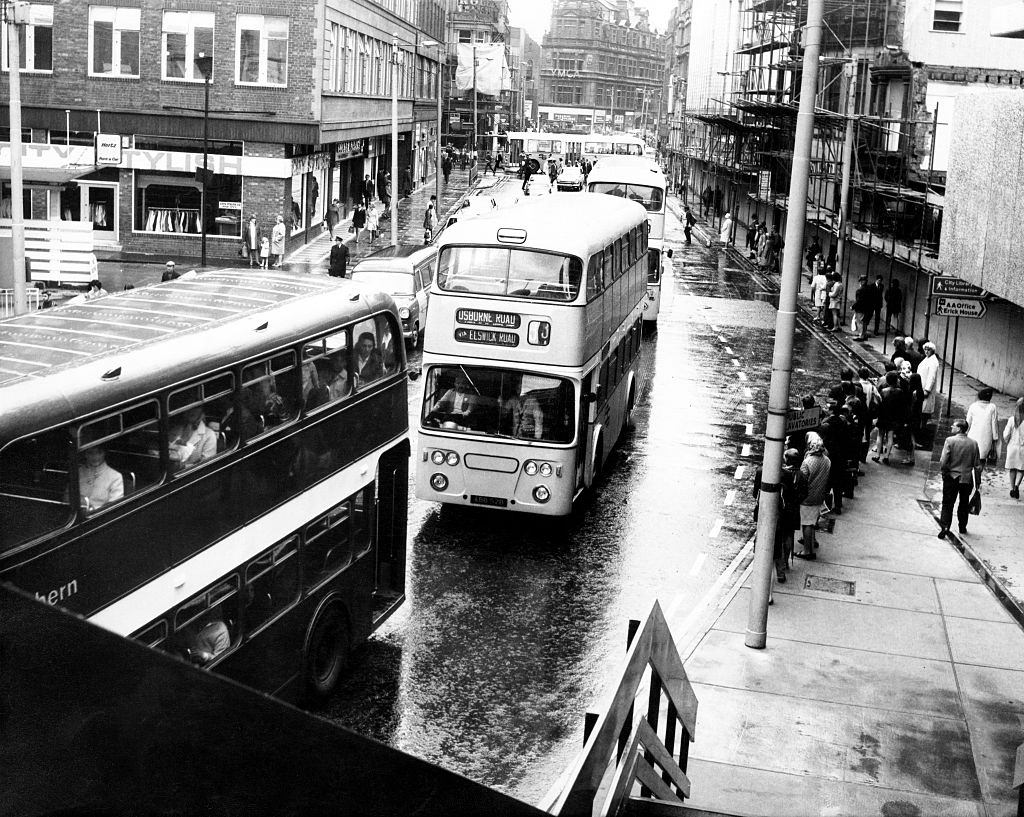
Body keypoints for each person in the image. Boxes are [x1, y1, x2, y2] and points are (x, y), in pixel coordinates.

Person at [938, 418, 981, 538]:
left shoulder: (950, 441)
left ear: (959, 429)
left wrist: (944, 473)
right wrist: (978, 482)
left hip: (952, 477)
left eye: (954, 426)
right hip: (966, 479)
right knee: (964, 503)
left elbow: (943, 461)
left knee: (947, 503)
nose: (952, 427)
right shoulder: (973, 443)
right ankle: (962, 526)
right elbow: (977, 465)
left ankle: (945, 526)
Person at [794, 432, 831, 559]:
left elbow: (802, 480)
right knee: (813, 521)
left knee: (806, 524)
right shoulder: (827, 461)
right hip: (820, 495)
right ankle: (812, 541)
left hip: (807, 497)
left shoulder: (807, 462)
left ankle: (807, 551)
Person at [78, 444, 124, 513]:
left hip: (101, 516)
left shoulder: (116, 476)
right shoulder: (78, 472)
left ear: (104, 454)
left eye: (99, 453)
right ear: (85, 455)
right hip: (78, 514)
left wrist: (93, 511)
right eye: (90, 453)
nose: (95, 457)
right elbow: (67, 497)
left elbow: (114, 505)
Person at [966, 387, 1001, 468]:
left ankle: (971, 477)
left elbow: (968, 423)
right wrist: (995, 439)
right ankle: (978, 476)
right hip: (986, 438)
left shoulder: (973, 406)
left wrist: (965, 433)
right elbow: (994, 424)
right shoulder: (993, 407)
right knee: (982, 459)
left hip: (973, 436)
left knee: (971, 458)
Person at [917, 341, 940, 446]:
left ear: (932, 350)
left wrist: (927, 390)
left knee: (923, 416)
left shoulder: (933, 362)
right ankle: (920, 436)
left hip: (925, 392)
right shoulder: (927, 359)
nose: (926, 351)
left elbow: (931, 377)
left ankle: (921, 438)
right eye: (925, 349)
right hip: (921, 389)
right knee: (921, 415)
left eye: (928, 349)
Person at [1003, 397, 1024, 499]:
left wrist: (1007, 441)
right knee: (1021, 469)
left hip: (1012, 447)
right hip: (1023, 448)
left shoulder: (1012, 420)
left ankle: (1012, 488)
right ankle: (1017, 486)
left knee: (1012, 468)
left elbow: (1006, 435)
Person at [851, 275, 872, 339]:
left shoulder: (859, 290)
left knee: (859, 322)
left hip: (860, 309)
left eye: (860, 281)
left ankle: (861, 335)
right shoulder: (869, 289)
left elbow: (858, 301)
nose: (859, 283)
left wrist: (853, 306)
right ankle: (864, 334)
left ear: (862, 282)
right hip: (868, 308)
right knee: (864, 322)